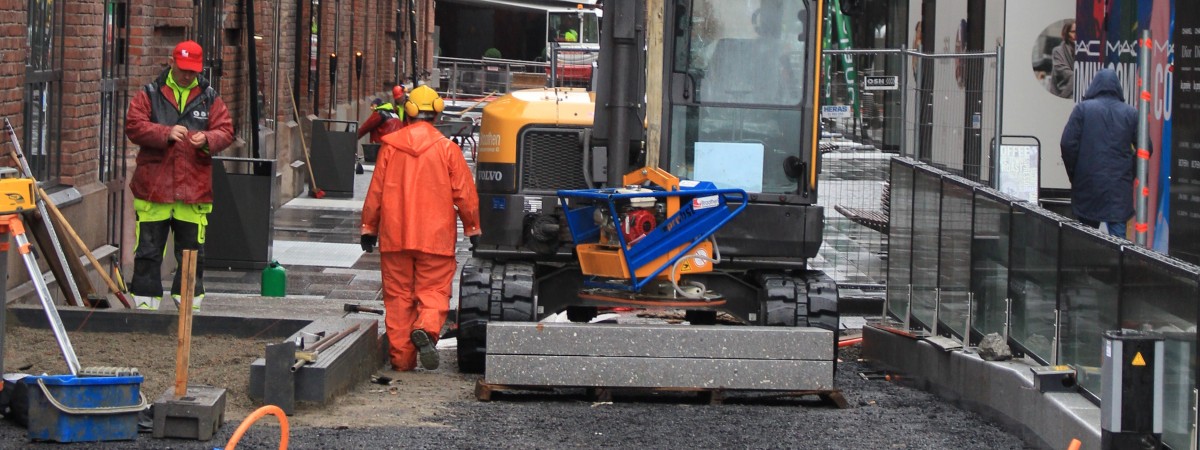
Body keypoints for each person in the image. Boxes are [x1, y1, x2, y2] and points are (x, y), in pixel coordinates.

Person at [360, 85, 481, 371]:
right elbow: (465, 194)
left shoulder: (390, 146)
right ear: (437, 114)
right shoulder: (448, 150)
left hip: (395, 236)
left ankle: (402, 362)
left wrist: (368, 228)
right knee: (434, 291)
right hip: (435, 237)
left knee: (398, 297)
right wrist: (473, 229)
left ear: (409, 112)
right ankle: (426, 330)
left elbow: (375, 192)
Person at [125, 40, 234, 310]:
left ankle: (187, 307)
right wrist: (165, 133)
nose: (188, 75)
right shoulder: (149, 94)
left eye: (193, 70)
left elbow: (226, 131)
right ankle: (145, 305)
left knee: (191, 253)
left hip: (192, 191)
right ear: (171, 63)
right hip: (155, 189)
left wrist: (207, 138)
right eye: (183, 69)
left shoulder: (210, 97)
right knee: (148, 250)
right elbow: (133, 126)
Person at [1060, 69, 1139, 238]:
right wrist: (1129, 172)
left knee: (1085, 239)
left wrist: (1074, 173)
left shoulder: (1082, 110)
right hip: (1119, 189)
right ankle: (1119, 264)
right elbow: (1146, 149)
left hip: (1088, 185)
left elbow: (1067, 144)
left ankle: (1087, 264)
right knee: (1120, 245)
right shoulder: (1130, 113)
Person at [1050, 20, 1075, 99]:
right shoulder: (1058, 51)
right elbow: (1069, 74)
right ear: (1066, 33)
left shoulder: (1085, 50)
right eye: (1073, 32)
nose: (1077, 35)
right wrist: (1062, 97)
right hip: (1063, 94)